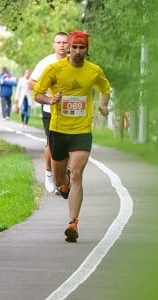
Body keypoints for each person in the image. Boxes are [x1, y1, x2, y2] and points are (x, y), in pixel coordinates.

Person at [33, 30, 110, 243]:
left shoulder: (93, 71)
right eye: (74, 47)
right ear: (68, 48)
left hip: (82, 131)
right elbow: (37, 93)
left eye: (81, 48)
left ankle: (73, 223)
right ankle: (62, 184)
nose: (77, 51)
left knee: (76, 173)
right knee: (60, 180)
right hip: (59, 130)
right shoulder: (54, 69)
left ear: (86, 49)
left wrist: (104, 106)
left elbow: (105, 89)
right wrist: (50, 100)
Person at [28, 31, 70, 193]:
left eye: (64, 43)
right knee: (52, 144)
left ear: (69, 45)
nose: (62, 46)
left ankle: (66, 176)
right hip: (50, 109)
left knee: (69, 146)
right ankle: (48, 175)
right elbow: (31, 82)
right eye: (58, 43)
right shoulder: (47, 62)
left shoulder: (74, 62)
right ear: (53, 45)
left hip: (70, 112)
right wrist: (47, 95)